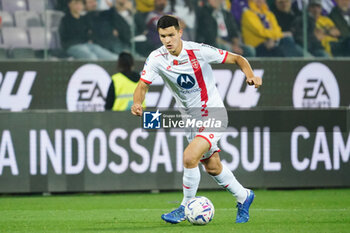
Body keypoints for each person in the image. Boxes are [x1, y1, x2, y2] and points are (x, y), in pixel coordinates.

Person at [131, 15, 261, 224]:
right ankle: (244, 196)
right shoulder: (156, 58)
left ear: (180, 32)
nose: (168, 40)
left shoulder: (198, 51)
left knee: (189, 157)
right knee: (212, 166)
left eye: (172, 35)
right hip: (190, 120)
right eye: (163, 36)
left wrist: (250, 75)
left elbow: (238, 58)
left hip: (214, 114)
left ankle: (184, 207)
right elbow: (142, 85)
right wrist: (138, 103)